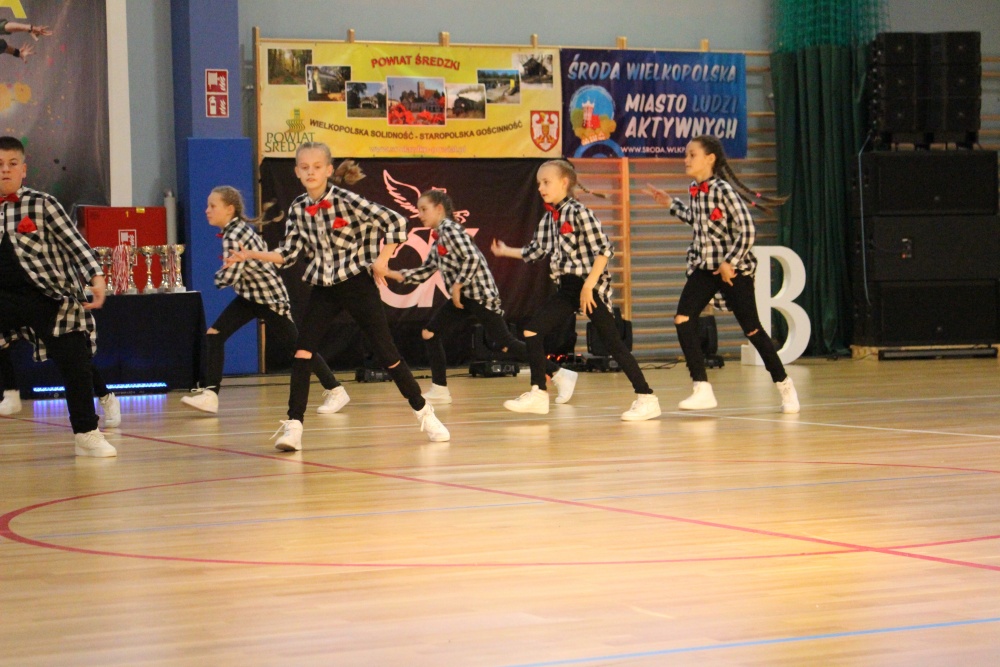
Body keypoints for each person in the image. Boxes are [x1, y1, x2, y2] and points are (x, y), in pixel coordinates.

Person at [226, 142, 449, 450]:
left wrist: (382, 260)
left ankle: (424, 412)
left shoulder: (347, 200)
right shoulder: (298, 208)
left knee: (387, 353)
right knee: (302, 352)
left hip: (356, 283)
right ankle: (294, 426)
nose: (310, 172)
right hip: (324, 288)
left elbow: (396, 222)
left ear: (329, 170)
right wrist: (253, 254)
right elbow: (288, 253)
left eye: (317, 167)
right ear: (296, 171)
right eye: (304, 167)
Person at [491, 159, 660, 421]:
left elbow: (605, 250)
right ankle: (539, 393)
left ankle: (647, 397)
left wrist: (589, 287)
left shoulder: (580, 212)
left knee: (613, 343)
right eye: (538, 183)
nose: (540, 188)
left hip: (589, 286)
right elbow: (535, 251)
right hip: (568, 288)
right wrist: (506, 251)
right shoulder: (550, 218)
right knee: (532, 331)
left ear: (564, 183)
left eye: (546, 182)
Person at [645, 134, 800, 413]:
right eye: (686, 154)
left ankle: (784, 384)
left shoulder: (723, 190)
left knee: (753, 330)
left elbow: (747, 229)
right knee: (683, 319)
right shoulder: (695, 189)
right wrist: (670, 203)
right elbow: (698, 221)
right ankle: (701, 387)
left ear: (710, 159)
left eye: (692, 154)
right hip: (705, 267)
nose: (686, 159)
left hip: (732, 270)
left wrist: (731, 261)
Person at [385, 189, 574, 404]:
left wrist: (457, 286)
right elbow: (424, 271)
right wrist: (390, 273)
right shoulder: (440, 238)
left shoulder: (450, 230)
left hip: (479, 295)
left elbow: (472, 259)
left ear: (439, 209)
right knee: (430, 333)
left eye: (423, 209)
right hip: (464, 298)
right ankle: (439, 389)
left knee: (505, 342)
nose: (419, 214)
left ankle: (559, 373)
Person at [180, 186, 348, 416]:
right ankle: (210, 395)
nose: (207, 210)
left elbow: (230, 276)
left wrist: (216, 278)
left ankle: (335, 389)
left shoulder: (234, 235)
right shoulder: (235, 230)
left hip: (268, 299)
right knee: (215, 335)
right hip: (251, 296)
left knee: (299, 347)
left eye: (212, 206)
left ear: (229, 209)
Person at [0, 135, 115, 456]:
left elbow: (76, 244)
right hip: (3, 298)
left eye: (12, 164)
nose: (5, 170)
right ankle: (9, 393)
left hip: (47, 296)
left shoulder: (42, 204)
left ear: (23, 170)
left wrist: (96, 277)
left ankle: (87, 432)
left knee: (74, 356)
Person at [0, 333, 121, 427]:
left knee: (71, 355)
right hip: (18, 309)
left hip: (51, 312)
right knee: (2, 338)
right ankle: (11, 393)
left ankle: (106, 397)